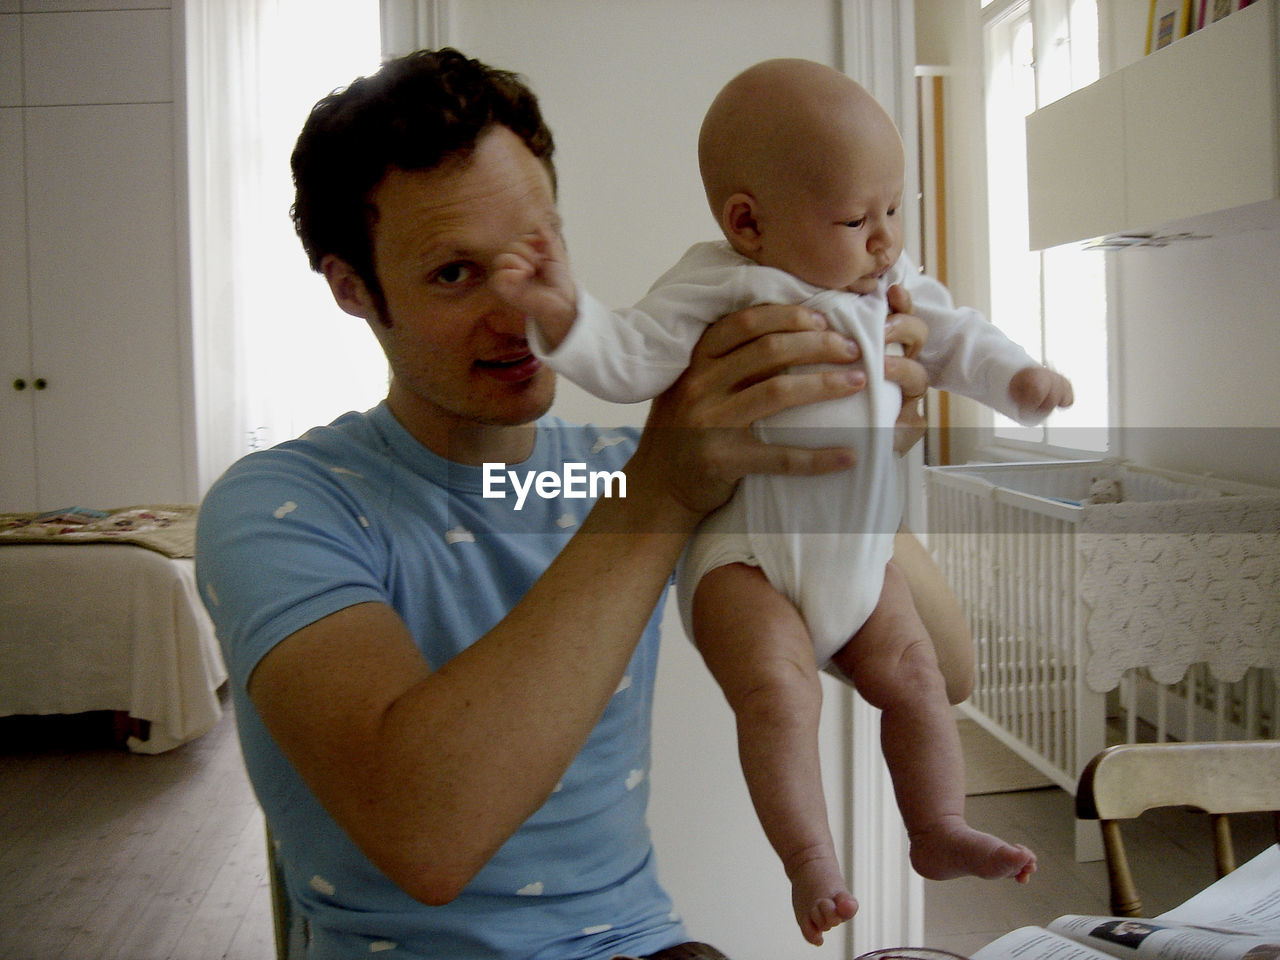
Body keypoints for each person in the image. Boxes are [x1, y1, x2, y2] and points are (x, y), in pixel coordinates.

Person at [195, 49, 939, 960]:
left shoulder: (619, 469)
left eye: (535, 252)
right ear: (352, 288)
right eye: (454, 276)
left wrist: (859, 451)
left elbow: (949, 667)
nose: (518, 315)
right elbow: (429, 837)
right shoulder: (280, 505)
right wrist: (659, 488)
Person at [493, 57, 1071, 945]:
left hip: (862, 554)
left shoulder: (889, 287)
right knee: (777, 693)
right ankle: (812, 861)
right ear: (748, 222)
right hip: (747, 559)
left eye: (893, 209)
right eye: (854, 217)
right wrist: (565, 314)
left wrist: (1018, 383)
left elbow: (960, 336)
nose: (883, 239)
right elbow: (632, 356)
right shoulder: (722, 280)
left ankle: (936, 827)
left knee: (916, 679)